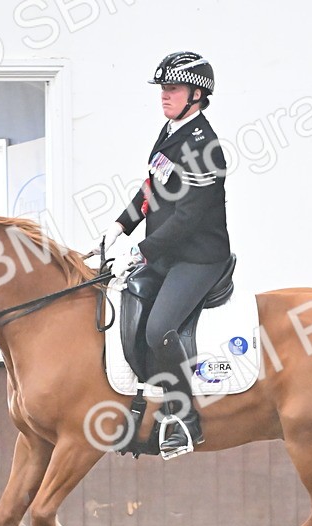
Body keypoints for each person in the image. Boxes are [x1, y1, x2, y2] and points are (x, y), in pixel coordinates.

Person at [101, 51, 232, 456]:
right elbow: (151, 188)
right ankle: (141, 405)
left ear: (196, 94)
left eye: (172, 88)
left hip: (198, 258)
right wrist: (121, 225)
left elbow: (187, 219)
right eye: (162, 88)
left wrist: (140, 250)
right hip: (166, 253)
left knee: (160, 328)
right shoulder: (171, 130)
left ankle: (184, 419)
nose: (164, 95)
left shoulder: (204, 146)